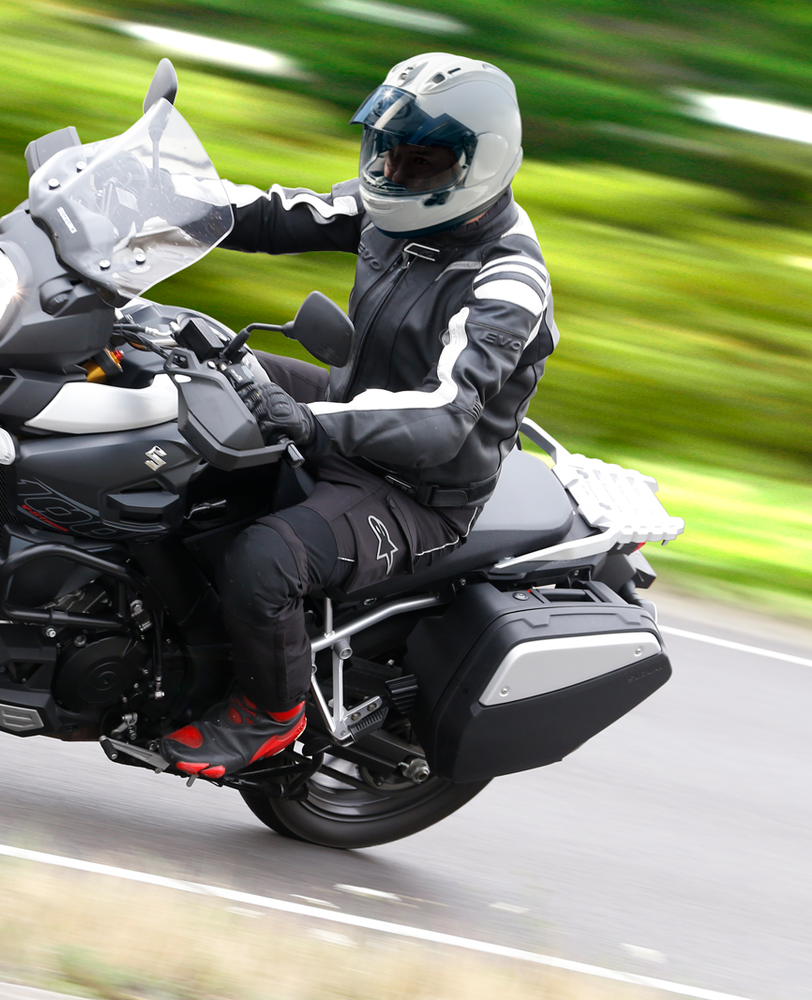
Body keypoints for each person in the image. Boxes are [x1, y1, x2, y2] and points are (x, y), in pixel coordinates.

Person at [159, 53, 558, 779]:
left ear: (480, 164)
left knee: (265, 560)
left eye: (422, 160)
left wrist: (313, 423)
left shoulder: (508, 281)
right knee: (184, 360)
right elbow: (272, 213)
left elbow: (445, 415)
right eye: (386, 149)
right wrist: (159, 200)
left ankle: (271, 716)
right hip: (348, 414)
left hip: (419, 488)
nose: (393, 172)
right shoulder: (391, 206)